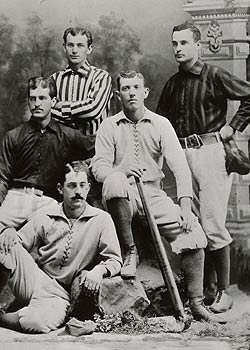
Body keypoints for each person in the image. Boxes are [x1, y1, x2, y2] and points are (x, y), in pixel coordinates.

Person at [92, 70, 225, 323]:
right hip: (123, 195)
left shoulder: (161, 124)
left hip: (154, 193)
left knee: (195, 235)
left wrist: (186, 207)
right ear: (118, 95)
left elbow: (180, 168)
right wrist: (121, 170)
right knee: (115, 180)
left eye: (136, 87)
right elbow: (99, 168)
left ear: (145, 93)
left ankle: (196, 304)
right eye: (126, 88)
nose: (131, 92)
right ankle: (131, 252)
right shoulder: (109, 126)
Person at [156, 22, 250, 313]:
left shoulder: (214, 75)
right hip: (182, 156)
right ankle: (205, 289)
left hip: (211, 152)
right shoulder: (173, 83)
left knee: (211, 222)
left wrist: (232, 128)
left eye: (184, 43)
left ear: (198, 45)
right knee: (193, 224)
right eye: (175, 43)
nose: (178, 49)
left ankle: (224, 291)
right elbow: (160, 123)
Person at [0, 160, 122, 333]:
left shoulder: (101, 219)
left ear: (88, 188)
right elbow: (18, 242)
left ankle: (4, 317)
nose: (78, 192)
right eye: (72, 186)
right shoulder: (45, 215)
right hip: (35, 280)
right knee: (3, 243)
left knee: (36, 323)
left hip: (59, 295)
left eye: (82, 185)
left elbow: (115, 259)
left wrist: (98, 271)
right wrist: (9, 232)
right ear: (60, 189)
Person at [0, 76, 88, 235]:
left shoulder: (67, 135)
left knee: (59, 240)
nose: (37, 103)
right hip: (15, 198)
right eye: (32, 98)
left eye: (42, 98)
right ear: (28, 101)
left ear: (53, 101)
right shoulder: (13, 136)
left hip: (47, 202)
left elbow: (96, 145)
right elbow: (3, 177)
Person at [51, 27, 113, 157]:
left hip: (94, 149)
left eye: (80, 45)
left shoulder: (101, 77)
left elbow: (93, 110)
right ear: (64, 47)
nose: (74, 50)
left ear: (89, 49)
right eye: (70, 45)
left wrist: (61, 105)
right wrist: (80, 109)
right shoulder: (54, 79)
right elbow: (47, 113)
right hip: (61, 148)